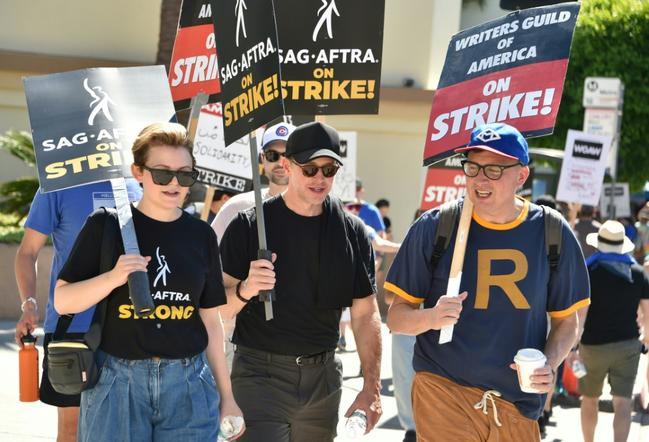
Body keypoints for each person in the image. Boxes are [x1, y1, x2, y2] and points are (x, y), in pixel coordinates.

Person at [385, 122, 590, 442]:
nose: (479, 178)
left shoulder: (552, 231)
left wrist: (548, 365)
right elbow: (396, 319)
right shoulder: (435, 227)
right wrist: (430, 317)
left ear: (521, 176)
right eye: (472, 167)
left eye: (494, 169)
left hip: (517, 405)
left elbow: (567, 323)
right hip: (443, 392)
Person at [53, 122, 242, 441]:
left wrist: (228, 396)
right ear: (138, 172)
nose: (174, 183)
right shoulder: (107, 225)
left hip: (189, 383)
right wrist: (113, 278)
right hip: (117, 382)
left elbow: (210, 320)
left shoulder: (201, 235)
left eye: (185, 174)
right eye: (162, 173)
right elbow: (63, 300)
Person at [219, 121, 383, 441]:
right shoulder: (249, 225)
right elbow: (218, 310)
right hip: (259, 375)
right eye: (309, 169)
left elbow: (365, 314)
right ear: (287, 165)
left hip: (323, 379)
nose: (320, 178)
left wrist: (371, 387)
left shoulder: (352, 231)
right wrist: (245, 289)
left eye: (329, 169)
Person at [15, 180, 141, 442]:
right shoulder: (58, 182)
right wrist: (29, 303)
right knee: (72, 431)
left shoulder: (137, 179)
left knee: (125, 430)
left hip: (129, 325)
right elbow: (27, 252)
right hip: (71, 325)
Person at [211, 121, 295, 370]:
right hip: (237, 339)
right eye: (273, 155)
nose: (281, 162)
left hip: (292, 340)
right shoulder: (237, 207)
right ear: (262, 159)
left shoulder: (318, 210)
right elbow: (207, 264)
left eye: (287, 154)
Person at [568, 220, 649, 442]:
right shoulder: (638, 273)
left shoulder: (588, 270)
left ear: (598, 244)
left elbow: (579, 314)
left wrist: (573, 346)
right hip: (628, 345)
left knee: (589, 400)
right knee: (623, 403)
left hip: (592, 346)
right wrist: (646, 341)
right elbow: (647, 314)